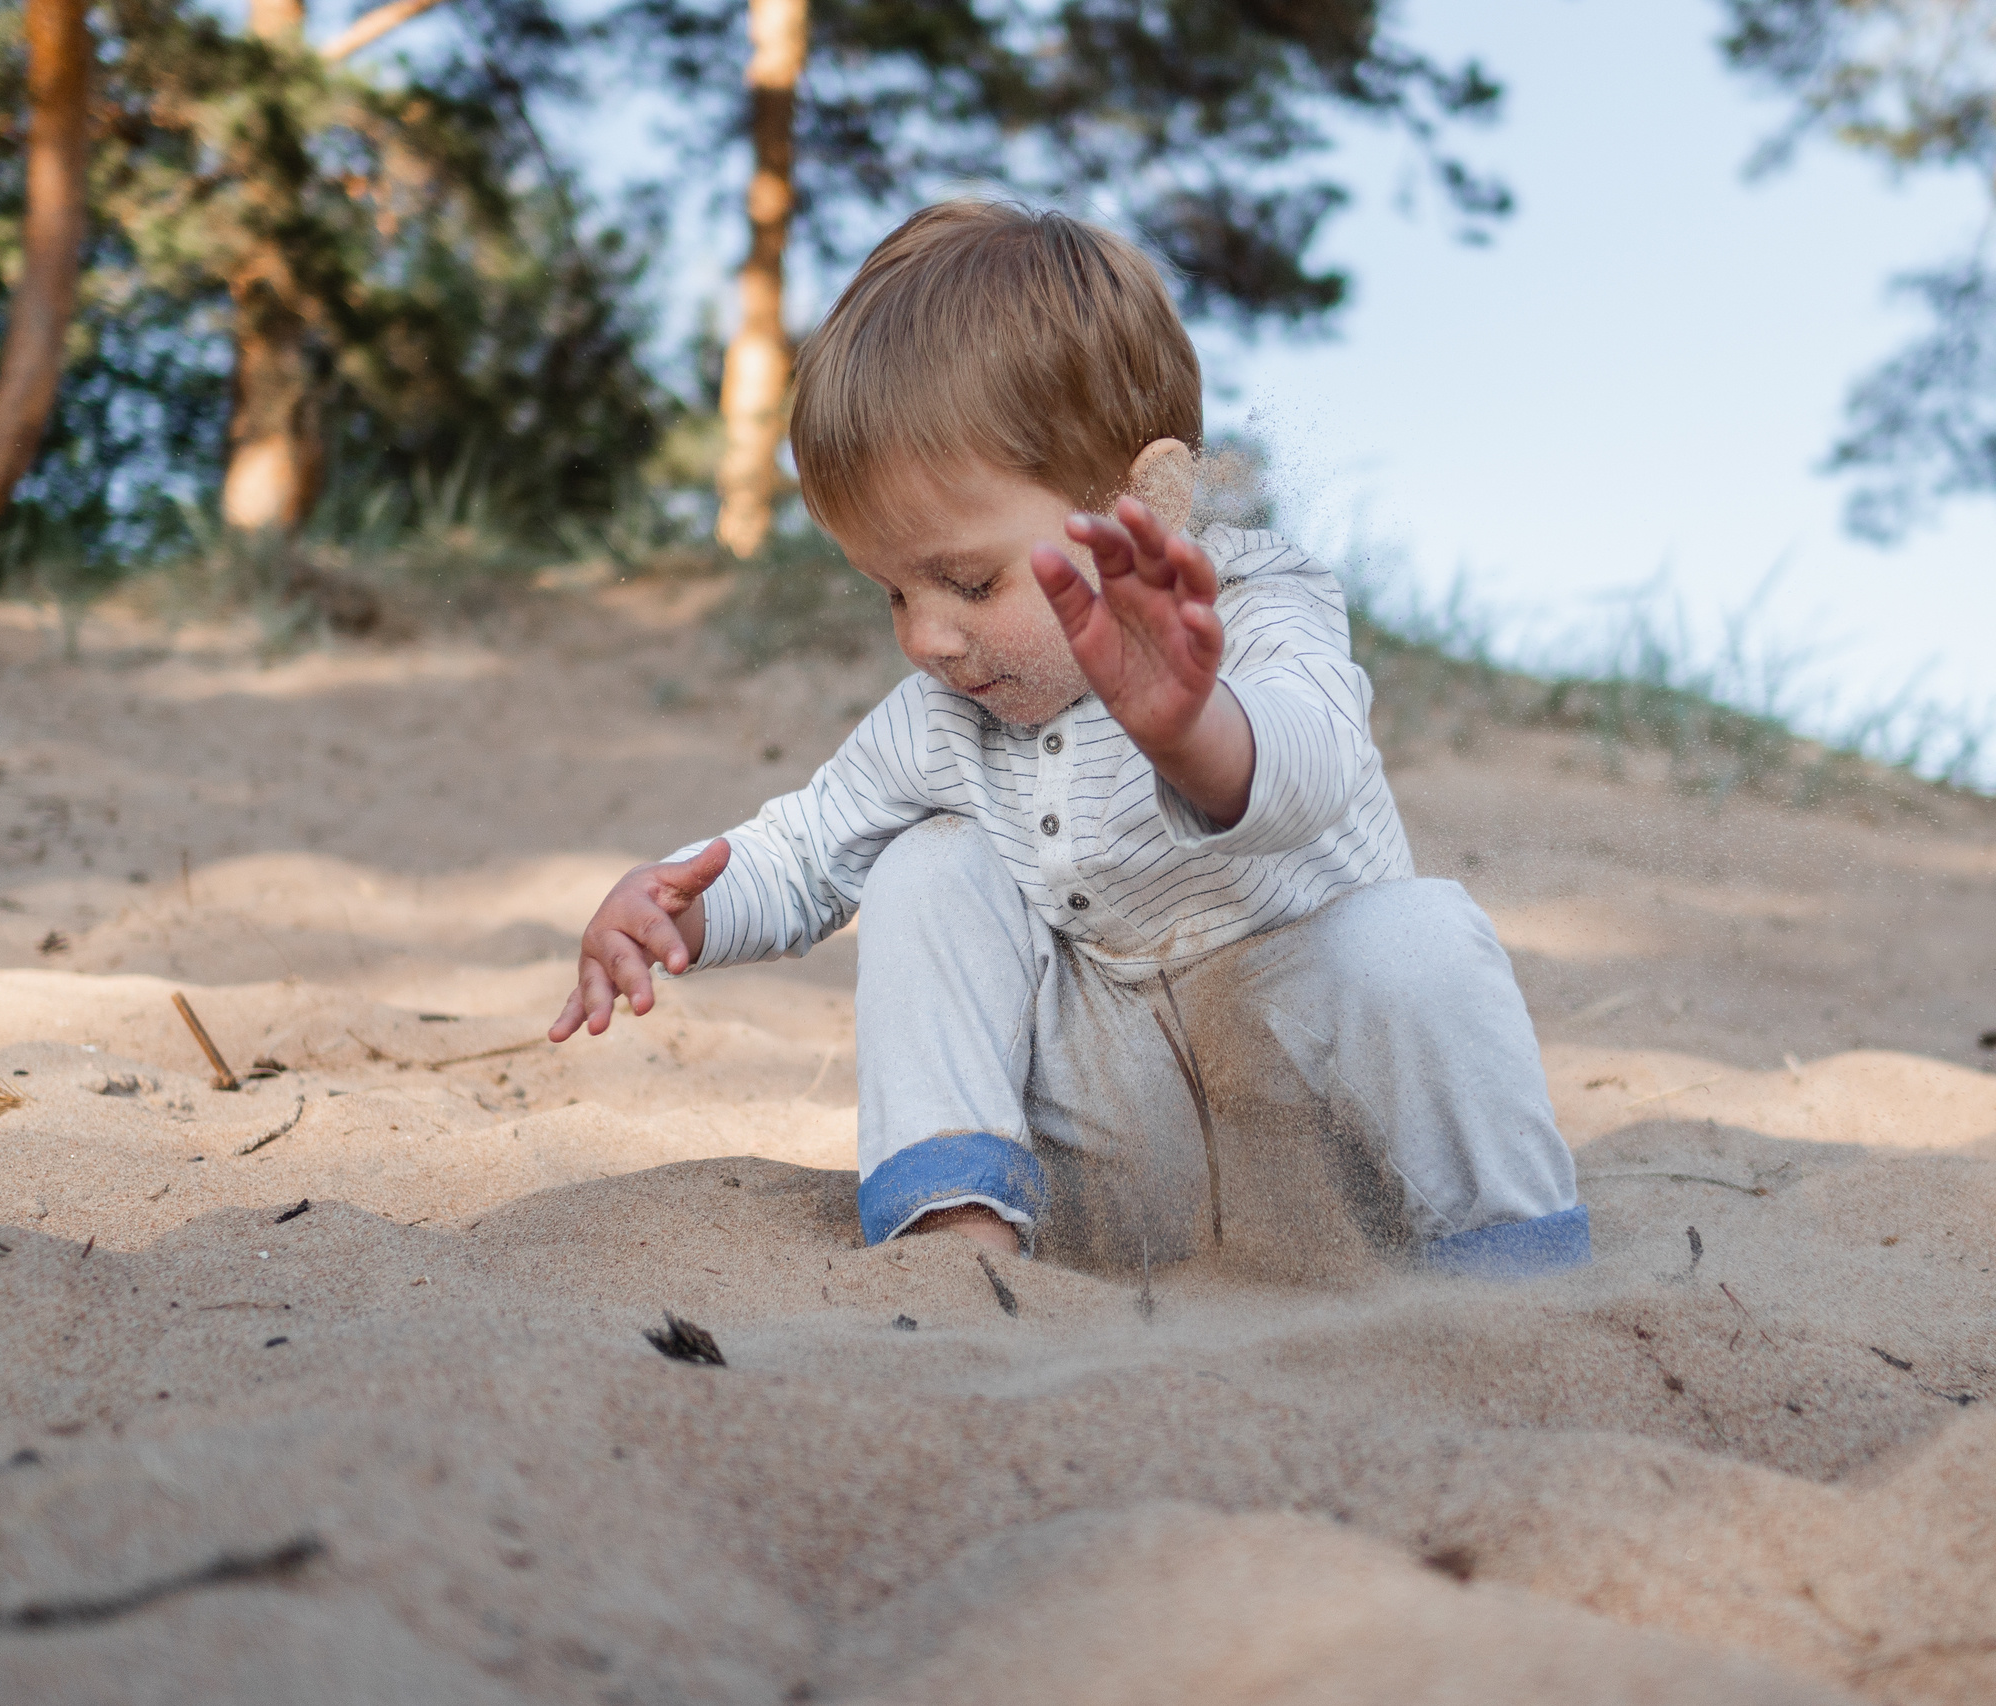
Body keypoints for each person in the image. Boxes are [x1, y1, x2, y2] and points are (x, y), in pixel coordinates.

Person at [547, 199, 1587, 1281]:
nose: (928, 639)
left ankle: (1516, 1278)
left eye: (966, 580)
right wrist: (687, 905)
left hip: (1327, 1148)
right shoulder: (946, 716)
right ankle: (957, 1247)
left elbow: (1314, 767)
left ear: (1147, 501)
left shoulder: (1256, 604)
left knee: (1416, 935)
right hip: (1117, 1159)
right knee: (928, 864)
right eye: (891, 594)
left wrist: (1190, 725)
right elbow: (808, 847)